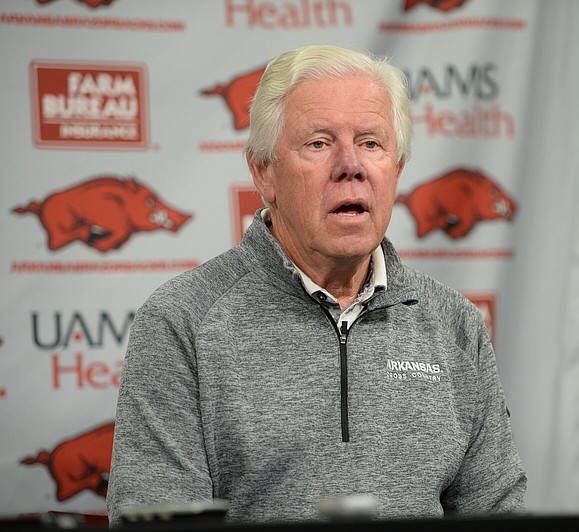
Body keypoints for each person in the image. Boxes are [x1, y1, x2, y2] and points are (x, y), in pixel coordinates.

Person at [106, 44, 527, 526]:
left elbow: (497, 511)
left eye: (371, 143)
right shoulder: (182, 322)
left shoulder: (456, 326)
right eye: (320, 143)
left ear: (398, 170)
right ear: (264, 172)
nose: (351, 165)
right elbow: (156, 517)